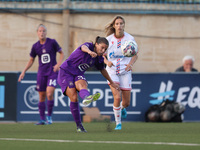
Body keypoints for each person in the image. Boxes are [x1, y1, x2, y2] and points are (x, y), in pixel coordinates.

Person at [57, 36, 119, 133]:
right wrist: (89, 52)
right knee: (74, 97)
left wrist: (111, 82)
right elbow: (83, 48)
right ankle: (79, 126)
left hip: (78, 73)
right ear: (96, 44)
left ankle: (87, 97)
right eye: (102, 48)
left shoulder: (99, 58)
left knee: (83, 84)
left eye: (105, 49)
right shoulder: (88, 46)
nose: (103, 51)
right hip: (66, 72)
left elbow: (103, 69)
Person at [18, 24, 64, 125]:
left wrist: (58, 64)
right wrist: (23, 71)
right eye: (40, 31)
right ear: (37, 33)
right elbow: (31, 60)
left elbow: (62, 53)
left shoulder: (52, 42)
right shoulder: (35, 46)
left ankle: (49, 117)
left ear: (46, 32)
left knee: (49, 93)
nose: (41, 33)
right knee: (42, 96)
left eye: (43, 31)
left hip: (52, 72)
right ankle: (42, 119)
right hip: (41, 74)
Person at [103, 15, 138, 130]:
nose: (119, 26)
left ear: (124, 25)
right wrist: (107, 61)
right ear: (114, 25)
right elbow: (102, 55)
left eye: (121, 23)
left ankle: (122, 108)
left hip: (125, 71)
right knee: (117, 98)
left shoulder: (130, 39)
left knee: (126, 102)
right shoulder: (108, 40)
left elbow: (135, 55)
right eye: (117, 24)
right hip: (112, 71)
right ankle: (118, 123)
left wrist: (130, 64)